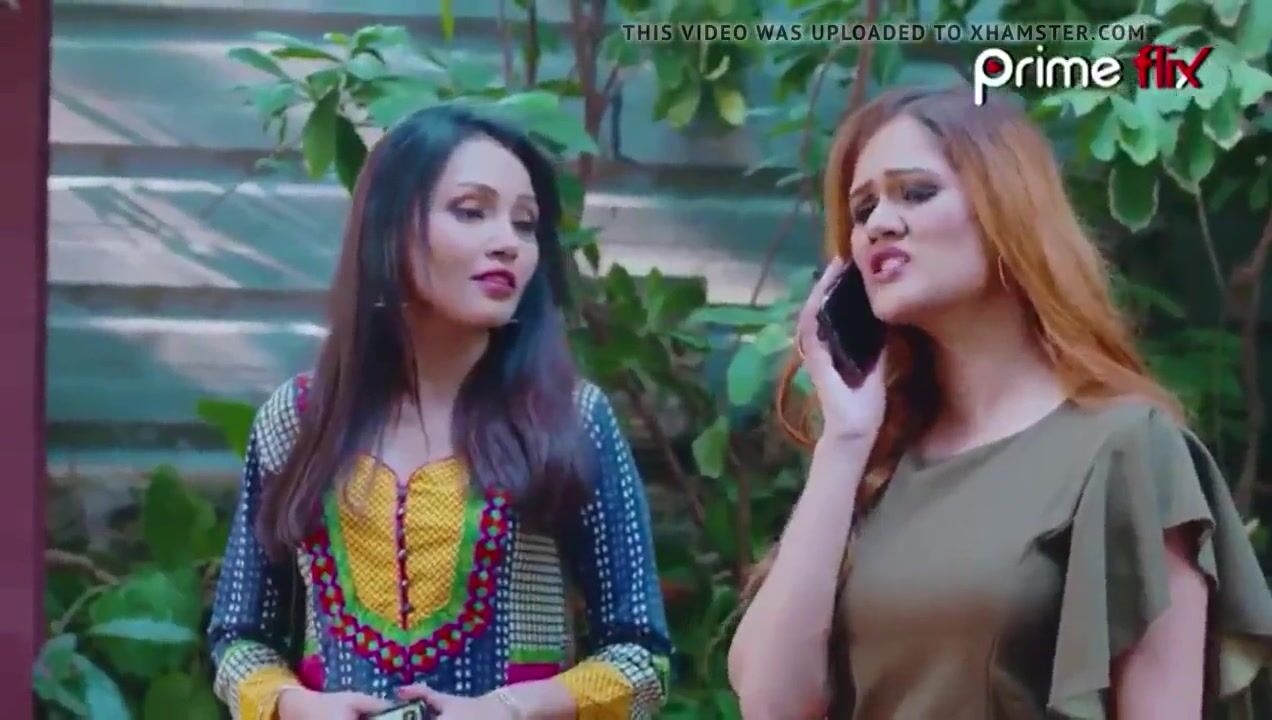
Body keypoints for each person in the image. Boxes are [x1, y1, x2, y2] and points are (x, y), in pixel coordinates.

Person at [727, 85, 1272, 720]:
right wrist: (844, 441)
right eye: (863, 207)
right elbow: (771, 702)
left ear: (1007, 208)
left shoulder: (1129, 447)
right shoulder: (875, 459)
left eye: (915, 192)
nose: (878, 224)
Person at [207, 104, 671, 720]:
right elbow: (239, 639)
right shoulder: (298, 421)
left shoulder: (570, 418)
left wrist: (508, 708)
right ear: (389, 227)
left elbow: (642, 660)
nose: (508, 243)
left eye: (526, 223)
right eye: (471, 211)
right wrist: (294, 705)